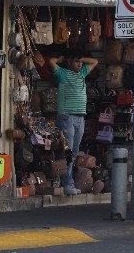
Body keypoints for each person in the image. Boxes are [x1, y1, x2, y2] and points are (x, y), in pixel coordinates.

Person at [48, 50, 98, 196]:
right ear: (69, 61)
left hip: (80, 118)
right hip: (67, 117)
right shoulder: (62, 74)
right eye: (76, 61)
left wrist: (81, 57)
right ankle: (67, 183)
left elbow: (95, 62)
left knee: (74, 152)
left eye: (81, 62)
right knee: (67, 152)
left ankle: (66, 181)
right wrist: (60, 58)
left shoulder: (82, 73)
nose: (80, 64)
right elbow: (50, 62)